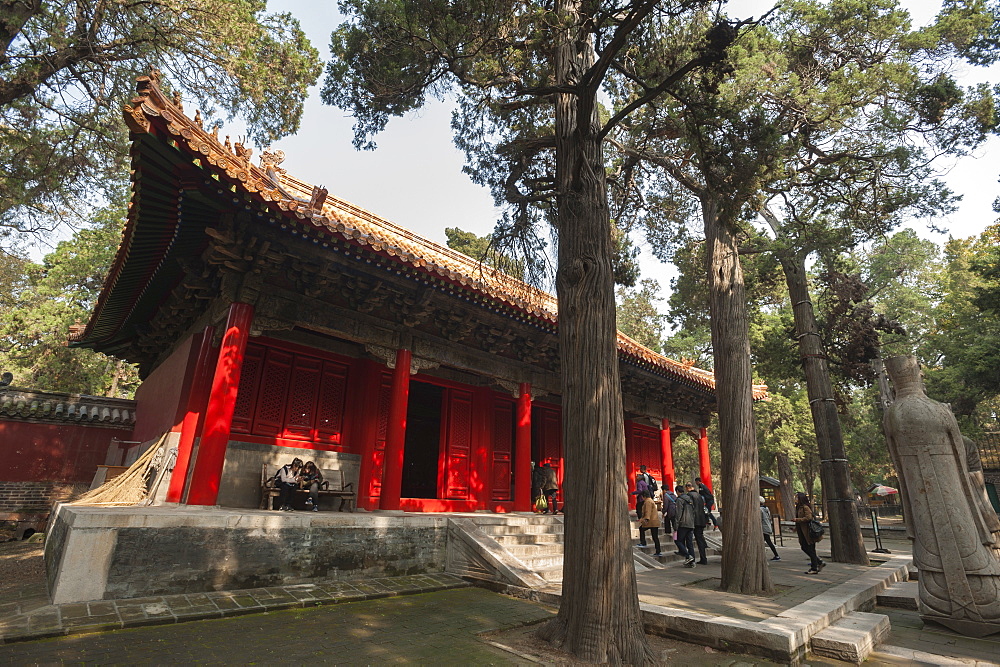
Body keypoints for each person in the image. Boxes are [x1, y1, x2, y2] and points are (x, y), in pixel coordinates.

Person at [794, 491, 824, 574]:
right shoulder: (798, 507)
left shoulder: (805, 507)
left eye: (797, 497)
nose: (795, 499)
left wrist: (797, 520)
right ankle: (818, 562)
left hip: (808, 532)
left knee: (810, 549)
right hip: (802, 532)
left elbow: (808, 518)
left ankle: (814, 567)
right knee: (804, 547)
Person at [686, 482, 709, 565]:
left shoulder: (689, 496)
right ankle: (703, 557)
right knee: (700, 539)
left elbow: (689, 508)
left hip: (694, 520)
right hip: (701, 519)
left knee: (690, 539)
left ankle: (693, 559)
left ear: (688, 488)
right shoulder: (699, 496)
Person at [674, 484, 696, 566]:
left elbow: (678, 513)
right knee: (689, 543)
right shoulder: (689, 499)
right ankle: (692, 561)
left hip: (683, 524)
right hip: (691, 523)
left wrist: (676, 525)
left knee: (678, 540)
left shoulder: (680, 500)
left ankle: (688, 556)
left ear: (677, 492)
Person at [637, 491, 662, 556]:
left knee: (641, 529)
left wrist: (646, 519)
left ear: (644, 496)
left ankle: (643, 542)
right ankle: (658, 551)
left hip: (651, 521)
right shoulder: (651, 501)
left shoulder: (647, 502)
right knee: (655, 537)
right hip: (654, 521)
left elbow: (647, 511)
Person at [760, 496, 780, 561]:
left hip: (763, 527)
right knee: (768, 541)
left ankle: (776, 555)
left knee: (767, 542)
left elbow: (759, 518)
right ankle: (776, 555)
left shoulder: (760, 509)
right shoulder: (766, 508)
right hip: (767, 526)